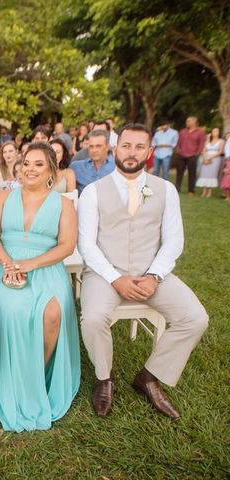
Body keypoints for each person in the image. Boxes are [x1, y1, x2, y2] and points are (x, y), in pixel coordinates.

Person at [78, 124, 208, 420]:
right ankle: (104, 378)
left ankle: (149, 376)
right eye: (126, 146)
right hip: (104, 273)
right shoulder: (93, 193)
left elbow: (174, 239)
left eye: (139, 147)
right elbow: (85, 243)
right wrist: (114, 278)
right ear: (115, 149)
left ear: (150, 152)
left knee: (196, 318)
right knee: (94, 317)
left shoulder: (166, 189)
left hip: (152, 273)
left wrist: (155, 275)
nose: (132, 152)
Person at [0, 142, 80, 431]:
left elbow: (68, 246)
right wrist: (9, 264)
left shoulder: (64, 204)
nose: (29, 169)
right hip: (7, 265)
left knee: (53, 314)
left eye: (38, 164)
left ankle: (35, 377)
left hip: (46, 267)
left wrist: (32, 264)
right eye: (26, 163)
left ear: (51, 172)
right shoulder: (4, 198)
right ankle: (14, 382)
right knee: (12, 309)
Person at [70, 129, 115, 195]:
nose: (94, 150)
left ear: (107, 147)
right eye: (91, 146)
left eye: (98, 146)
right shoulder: (76, 167)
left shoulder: (117, 167)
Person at [176, 116, 206, 195]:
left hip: (192, 156)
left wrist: (196, 154)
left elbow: (201, 144)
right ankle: (177, 189)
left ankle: (191, 191)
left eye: (188, 121)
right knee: (179, 173)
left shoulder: (200, 132)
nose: (187, 122)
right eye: (187, 121)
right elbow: (179, 142)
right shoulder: (183, 131)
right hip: (181, 155)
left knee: (192, 174)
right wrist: (178, 150)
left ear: (194, 122)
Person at [196, 127, 225, 198]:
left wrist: (210, 157)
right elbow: (203, 151)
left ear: (219, 133)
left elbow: (220, 151)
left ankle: (209, 192)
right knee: (204, 174)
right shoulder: (207, 141)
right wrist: (205, 158)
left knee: (212, 174)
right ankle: (204, 192)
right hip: (206, 158)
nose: (214, 133)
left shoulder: (221, 141)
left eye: (216, 131)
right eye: (213, 131)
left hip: (215, 159)